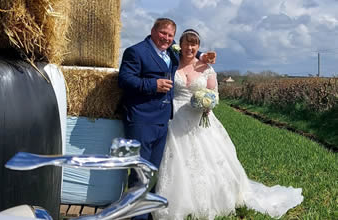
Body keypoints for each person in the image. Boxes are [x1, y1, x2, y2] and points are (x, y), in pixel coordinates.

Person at [153, 29, 304, 220]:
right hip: (175, 117)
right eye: (187, 43)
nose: (190, 48)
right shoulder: (172, 62)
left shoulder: (206, 67)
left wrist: (207, 104)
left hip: (200, 117)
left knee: (207, 159)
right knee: (175, 158)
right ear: (180, 45)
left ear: (198, 46)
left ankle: (214, 198)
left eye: (194, 45)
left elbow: (214, 94)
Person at [118, 18, 215, 220]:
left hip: (163, 121)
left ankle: (148, 213)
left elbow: (186, 50)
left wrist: (201, 54)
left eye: (170, 35)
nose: (166, 38)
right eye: (163, 33)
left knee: (154, 172)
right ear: (153, 30)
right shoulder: (136, 52)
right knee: (140, 173)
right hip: (141, 119)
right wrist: (153, 85)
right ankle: (137, 217)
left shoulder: (170, 51)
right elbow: (125, 80)